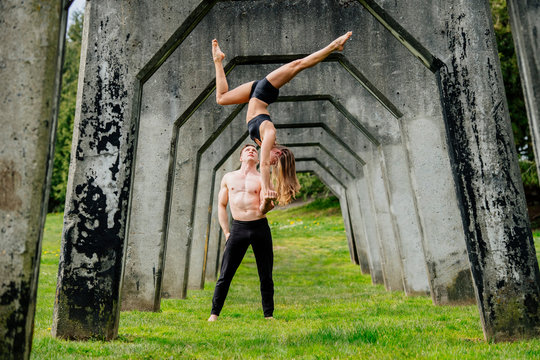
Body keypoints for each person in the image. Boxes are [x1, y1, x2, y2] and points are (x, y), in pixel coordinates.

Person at [212, 31, 352, 205]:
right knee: (297, 65)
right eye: (274, 162)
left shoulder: (263, 142)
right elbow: (263, 164)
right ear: (277, 153)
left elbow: (264, 162)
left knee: (221, 98)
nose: (270, 163)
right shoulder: (269, 133)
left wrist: (270, 186)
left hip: (253, 92)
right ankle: (334, 46)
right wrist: (267, 187)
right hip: (264, 91)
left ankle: (218, 60)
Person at [208, 144, 276, 321]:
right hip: (238, 228)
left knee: (266, 274)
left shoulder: (262, 178)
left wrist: (268, 203)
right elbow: (221, 205)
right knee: (225, 274)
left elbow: (263, 208)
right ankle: (214, 314)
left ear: (258, 159)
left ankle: (268, 315)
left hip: (259, 226)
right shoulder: (229, 178)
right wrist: (226, 232)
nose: (252, 151)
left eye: (254, 150)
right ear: (241, 157)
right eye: (247, 150)